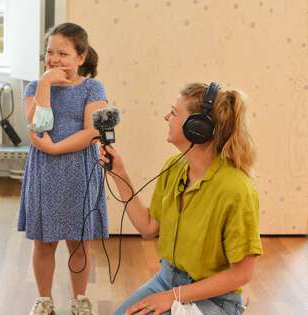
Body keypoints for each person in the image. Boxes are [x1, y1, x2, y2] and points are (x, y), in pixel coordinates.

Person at [99, 83, 263, 315]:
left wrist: (173, 297)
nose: (167, 117)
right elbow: (148, 227)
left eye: (174, 112)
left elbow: (242, 273)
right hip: (167, 280)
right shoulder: (173, 168)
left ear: (198, 127)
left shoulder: (237, 189)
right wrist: (120, 175)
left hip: (215, 299)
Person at [18, 22, 108, 315]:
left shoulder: (94, 88)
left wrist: (56, 148)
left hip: (79, 172)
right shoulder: (34, 87)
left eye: (63, 53)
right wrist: (45, 84)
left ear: (81, 58)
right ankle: (44, 300)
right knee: (45, 242)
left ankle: (79, 298)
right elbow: (38, 125)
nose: (54, 59)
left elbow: (92, 132)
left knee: (79, 243)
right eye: (49, 52)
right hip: (44, 173)